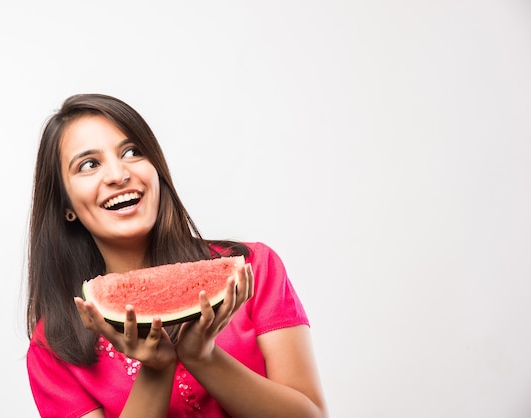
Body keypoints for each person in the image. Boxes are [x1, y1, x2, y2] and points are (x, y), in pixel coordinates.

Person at [25, 93, 328, 418]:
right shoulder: (53, 345)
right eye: (89, 164)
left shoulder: (251, 269)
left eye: (132, 151)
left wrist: (204, 357)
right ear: (66, 206)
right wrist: (156, 368)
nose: (118, 174)